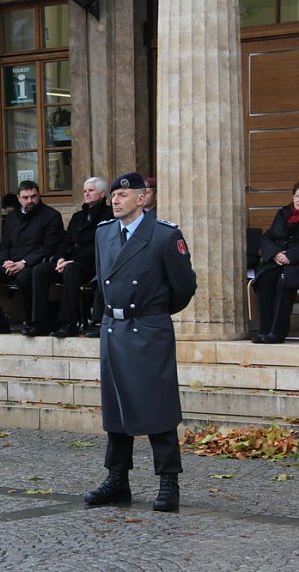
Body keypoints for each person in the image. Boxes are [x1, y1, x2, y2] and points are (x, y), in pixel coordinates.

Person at [85, 172, 197, 513]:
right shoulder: (104, 233)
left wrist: (153, 313)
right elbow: (104, 283)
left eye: (123, 194)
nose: (115, 200)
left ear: (142, 198)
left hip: (148, 328)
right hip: (114, 329)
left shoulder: (164, 235)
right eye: (114, 195)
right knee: (116, 409)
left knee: (158, 407)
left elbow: (183, 287)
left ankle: (168, 482)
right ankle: (117, 479)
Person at [0, 180, 63, 335]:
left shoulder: (51, 216)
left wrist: (23, 262)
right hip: (11, 264)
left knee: (26, 277)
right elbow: (5, 244)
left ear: (38, 195)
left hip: (32, 265)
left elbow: (48, 247)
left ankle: (32, 322)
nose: (30, 201)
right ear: (19, 198)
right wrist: (4, 262)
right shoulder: (11, 218)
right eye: (26, 197)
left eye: (33, 197)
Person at [30, 177, 113, 337]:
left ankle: (68, 323)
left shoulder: (109, 215)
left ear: (102, 194)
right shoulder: (78, 217)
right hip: (69, 262)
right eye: (84, 191)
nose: (86, 194)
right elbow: (65, 241)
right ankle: (40, 322)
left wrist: (72, 260)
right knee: (40, 270)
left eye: (91, 190)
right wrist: (60, 258)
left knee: (71, 270)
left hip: (92, 264)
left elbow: (101, 245)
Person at [252, 181, 299, 344]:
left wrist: (290, 256)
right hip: (278, 260)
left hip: (296, 262)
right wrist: (275, 254)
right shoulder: (283, 213)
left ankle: (277, 332)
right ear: (293, 196)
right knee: (264, 280)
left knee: (286, 281)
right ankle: (265, 330)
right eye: (297, 196)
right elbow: (267, 237)